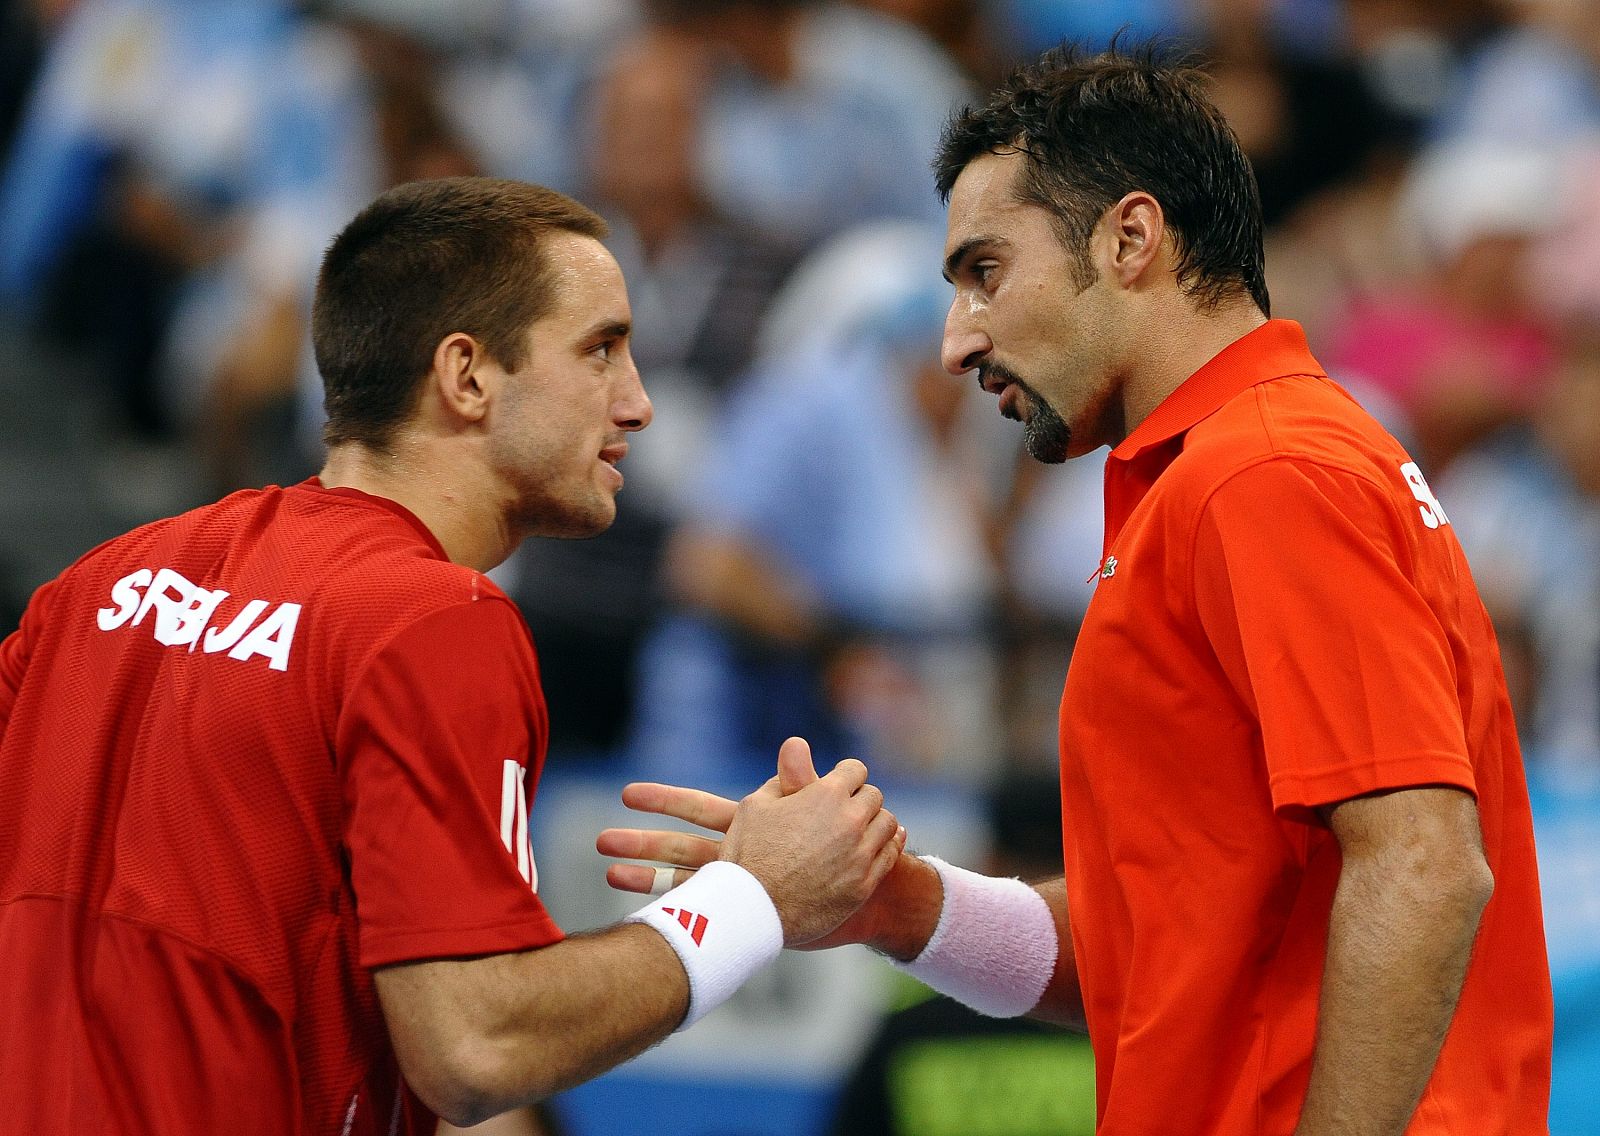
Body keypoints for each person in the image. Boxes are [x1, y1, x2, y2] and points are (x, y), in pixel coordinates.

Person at [599, 45, 1555, 1135]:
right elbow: (1152, 949)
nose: (956, 339)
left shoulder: (1265, 472)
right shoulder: (1226, 471)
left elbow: (1425, 865)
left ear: (1130, 238)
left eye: (983, 271)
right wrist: (902, 903)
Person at [0, 176, 905, 1134]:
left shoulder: (102, 584)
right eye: (601, 349)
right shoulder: (435, 620)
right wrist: (755, 899)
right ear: (467, 376)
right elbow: (476, 1047)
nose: (638, 405)